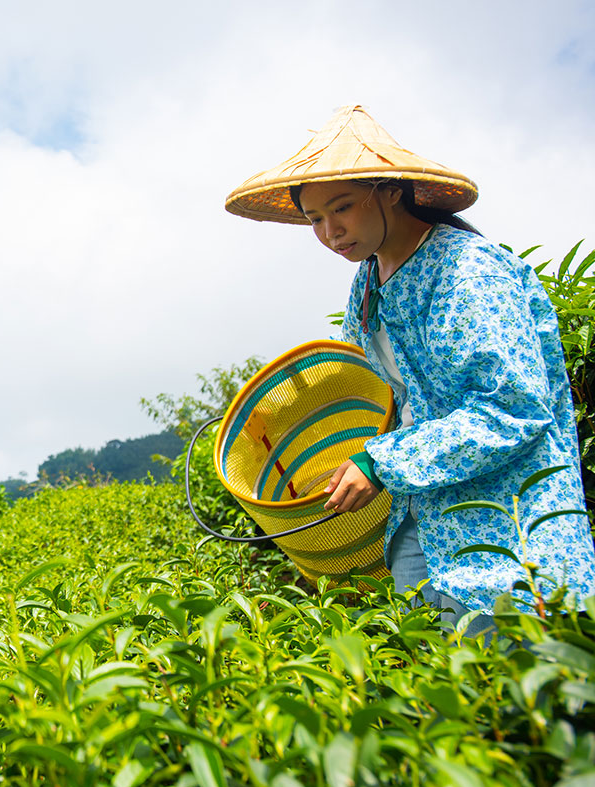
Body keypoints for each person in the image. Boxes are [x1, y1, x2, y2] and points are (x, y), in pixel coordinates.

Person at [224, 104, 595, 632]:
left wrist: (382, 463)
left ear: (391, 192)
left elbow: (511, 408)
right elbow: (384, 397)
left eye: (343, 207)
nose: (331, 231)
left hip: (510, 531)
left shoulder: (467, 270)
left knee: (518, 697)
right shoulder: (368, 283)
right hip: (424, 524)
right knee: (434, 690)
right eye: (315, 219)